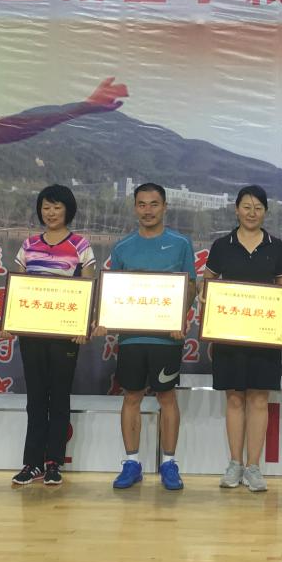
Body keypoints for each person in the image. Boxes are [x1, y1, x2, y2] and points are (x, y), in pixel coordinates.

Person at [94, 183, 196, 491]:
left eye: (154, 204)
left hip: (167, 338)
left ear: (165, 207)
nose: (148, 210)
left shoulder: (181, 244)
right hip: (131, 338)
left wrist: (180, 317)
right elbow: (113, 291)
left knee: (167, 397)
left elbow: (191, 286)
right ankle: (131, 463)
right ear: (135, 208)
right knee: (131, 397)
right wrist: (104, 319)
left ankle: (169, 463)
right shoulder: (123, 247)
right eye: (142, 204)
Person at [6, 185, 96, 487]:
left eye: (57, 207)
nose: (51, 213)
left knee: (59, 397)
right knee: (35, 399)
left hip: (65, 335)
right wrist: (10, 319)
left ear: (68, 210)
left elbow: (88, 288)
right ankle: (32, 463)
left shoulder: (81, 245)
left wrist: (82, 326)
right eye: (46, 207)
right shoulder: (29, 244)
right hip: (32, 333)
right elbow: (17, 286)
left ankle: (54, 462)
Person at [203, 185, 282, 493]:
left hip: (264, 336)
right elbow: (207, 285)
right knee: (234, 398)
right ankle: (234, 464)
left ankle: (253, 467)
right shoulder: (221, 245)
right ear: (236, 209)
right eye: (246, 207)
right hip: (229, 335)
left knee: (258, 398)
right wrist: (208, 312)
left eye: (258, 208)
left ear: (265, 212)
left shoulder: (276, 246)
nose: (252, 213)